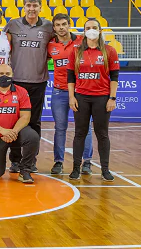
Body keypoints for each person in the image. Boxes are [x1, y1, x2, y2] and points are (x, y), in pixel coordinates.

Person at [2, 0, 53, 173]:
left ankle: (31, 161)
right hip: (16, 82)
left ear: (41, 7)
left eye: (35, 6)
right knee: (15, 122)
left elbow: (62, 41)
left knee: (34, 122)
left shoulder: (48, 27)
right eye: (28, 5)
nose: (32, 9)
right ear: (23, 7)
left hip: (38, 82)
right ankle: (15, 160)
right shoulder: (13, 24)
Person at [67, 18, 119, 182]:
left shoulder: (109, 51)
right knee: (80, 133)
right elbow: (70, 77)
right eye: (88, 28)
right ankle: (76, 168)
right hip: (81, 97)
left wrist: (112, 98)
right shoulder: (76, 51)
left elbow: (114, 77)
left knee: (102, 134)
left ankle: (105, 169)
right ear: (84, 32)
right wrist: (71, 97)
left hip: (102, 98)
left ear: (100, 30)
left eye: (94, 27)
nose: (91, 30)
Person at [48, 13, 93, 175]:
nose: (61, 27)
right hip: (59, 91)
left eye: (64, 24)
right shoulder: (50, 45)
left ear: (69, 25)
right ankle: (58, 162)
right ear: (54, 28)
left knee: (84, 128)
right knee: (60, 128)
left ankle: (87, 162)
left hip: (80, 92)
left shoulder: (82, 41)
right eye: (58, 25)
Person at [0, 64, 39, 183]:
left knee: (33, 137)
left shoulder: (21, 91)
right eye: (1, 74)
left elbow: (25, 116)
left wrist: (13, 131)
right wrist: (3, 131)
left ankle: (25, 170)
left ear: (12, 75)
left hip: (16, 132)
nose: (4, 76)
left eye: (7, 74)